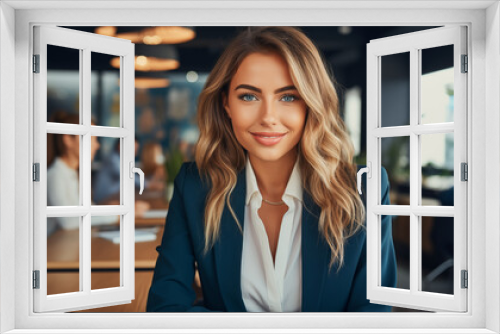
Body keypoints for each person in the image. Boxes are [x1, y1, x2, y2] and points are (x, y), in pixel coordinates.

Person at [147, 27, 396, 312]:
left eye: (288, 97)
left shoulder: (365, 189)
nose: (268, 117)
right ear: (226, 103)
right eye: (249, 97)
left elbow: (373, 317)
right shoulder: (195, 187)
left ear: (311, 104)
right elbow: (166, 308)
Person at [47, 112, 117, 233]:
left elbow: (87, 210)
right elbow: (68, 221)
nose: (97, 145)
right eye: (90, 138)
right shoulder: (55, 175)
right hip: (54, 248)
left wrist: (112, 210)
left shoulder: (73, 173)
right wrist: (117, 215)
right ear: (68, 139)